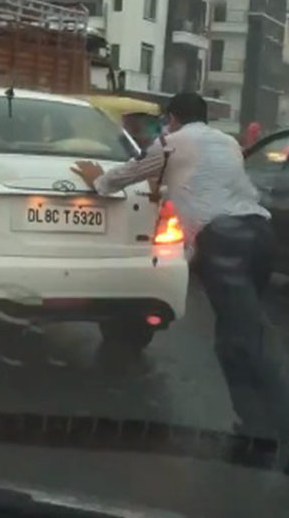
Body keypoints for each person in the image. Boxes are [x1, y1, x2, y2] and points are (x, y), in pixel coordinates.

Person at [69, 92, 281, 439]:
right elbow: (200, 183)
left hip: (224, 240)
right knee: (244, 328)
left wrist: (97, 178)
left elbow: (121, 178)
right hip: (259, 234)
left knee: (241, 338)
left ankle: (267, 426)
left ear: (172, 118)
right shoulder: (227, 142)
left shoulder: (170, 143)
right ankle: (261, 421)